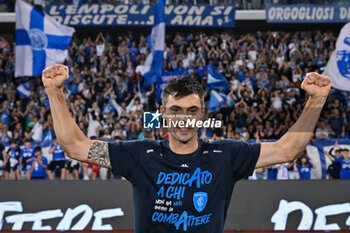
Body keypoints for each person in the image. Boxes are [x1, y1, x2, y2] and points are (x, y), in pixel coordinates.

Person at [43, 64, 331, 233]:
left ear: (202, 114)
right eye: (176, 110)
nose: (184, 118)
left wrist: (316, 101)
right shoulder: (141, 154)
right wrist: (54, 92)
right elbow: (74, 146)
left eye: (192, 110)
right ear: (163, 114)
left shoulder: (226, 154)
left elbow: (288, 149)